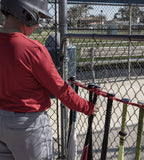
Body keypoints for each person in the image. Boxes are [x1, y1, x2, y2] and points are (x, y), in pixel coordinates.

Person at [0, 0, 99, 160]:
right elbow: (60, 89)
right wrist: (86, 107)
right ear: (27, 14)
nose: (38, 24)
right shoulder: (33, 49)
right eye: (38, 16)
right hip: (28, 125)